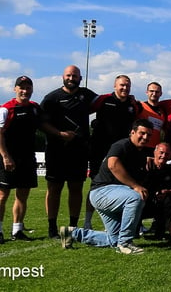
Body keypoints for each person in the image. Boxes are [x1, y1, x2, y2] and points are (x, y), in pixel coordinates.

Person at [59, 119, 153, 254]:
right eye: (142, 133)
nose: (145, 137)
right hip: (103, 191)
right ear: (132, 132)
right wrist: (135, 186)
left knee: (114, 239)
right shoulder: (122, 145)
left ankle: (73, 233)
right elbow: (113, 165)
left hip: (113, 195)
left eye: (149, 135)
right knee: (135, 197)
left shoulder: (140, 153)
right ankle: (126, 243)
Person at [41, 65, 98, 238]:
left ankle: (73, 227)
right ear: (62, 77)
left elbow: (103, 104)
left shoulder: (87, 95)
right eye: (68, 75)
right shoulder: (51, 98)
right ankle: (52, 227)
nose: (71, 78)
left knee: (76, 188)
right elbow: (42, 122)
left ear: (80, 78)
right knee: (54, 188)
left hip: (79, 151)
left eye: (75, 76)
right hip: (56, 150)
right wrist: (59, 134)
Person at [0, 76, 59, 242]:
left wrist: (59, 134)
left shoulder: (34, 108)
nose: (25, 91)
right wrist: (5, 156)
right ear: (15, 89)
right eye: (21, 87)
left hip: (27, 158)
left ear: (32, 90)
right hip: (7, 158)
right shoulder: (6, 109)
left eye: (28, 88)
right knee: (2, 196)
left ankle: (17, 230)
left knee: (22, 195)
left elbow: (43, 124)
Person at [85, 74, 138, 229]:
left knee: (122, 186)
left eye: (127, 86)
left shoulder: (132, 104)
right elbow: (84, 112)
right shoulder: (103, 100)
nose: (125, 88)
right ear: (115, 86)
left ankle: (120, 223)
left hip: (122, 153)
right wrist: (94, 124)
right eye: (122, 85)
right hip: (99, 151)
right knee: (96, 186)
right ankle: (87, 222)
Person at [141, 142, 171, 240]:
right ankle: (134, 230)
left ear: (170, 155)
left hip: (161, 203)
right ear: (155, 152)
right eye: (161, 152)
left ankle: (159, 232)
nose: (163, 156)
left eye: (167, 154)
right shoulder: (145, 166)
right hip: (144, 200)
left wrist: (167, 192)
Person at [136, 81, 166, 150]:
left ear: (161, 94)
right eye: (151, 91)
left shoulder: (162, 111)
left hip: (155, 148)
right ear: (147, 92)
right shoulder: (140, 106)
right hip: (140, 146)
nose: (154, 94)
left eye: (157, 92)